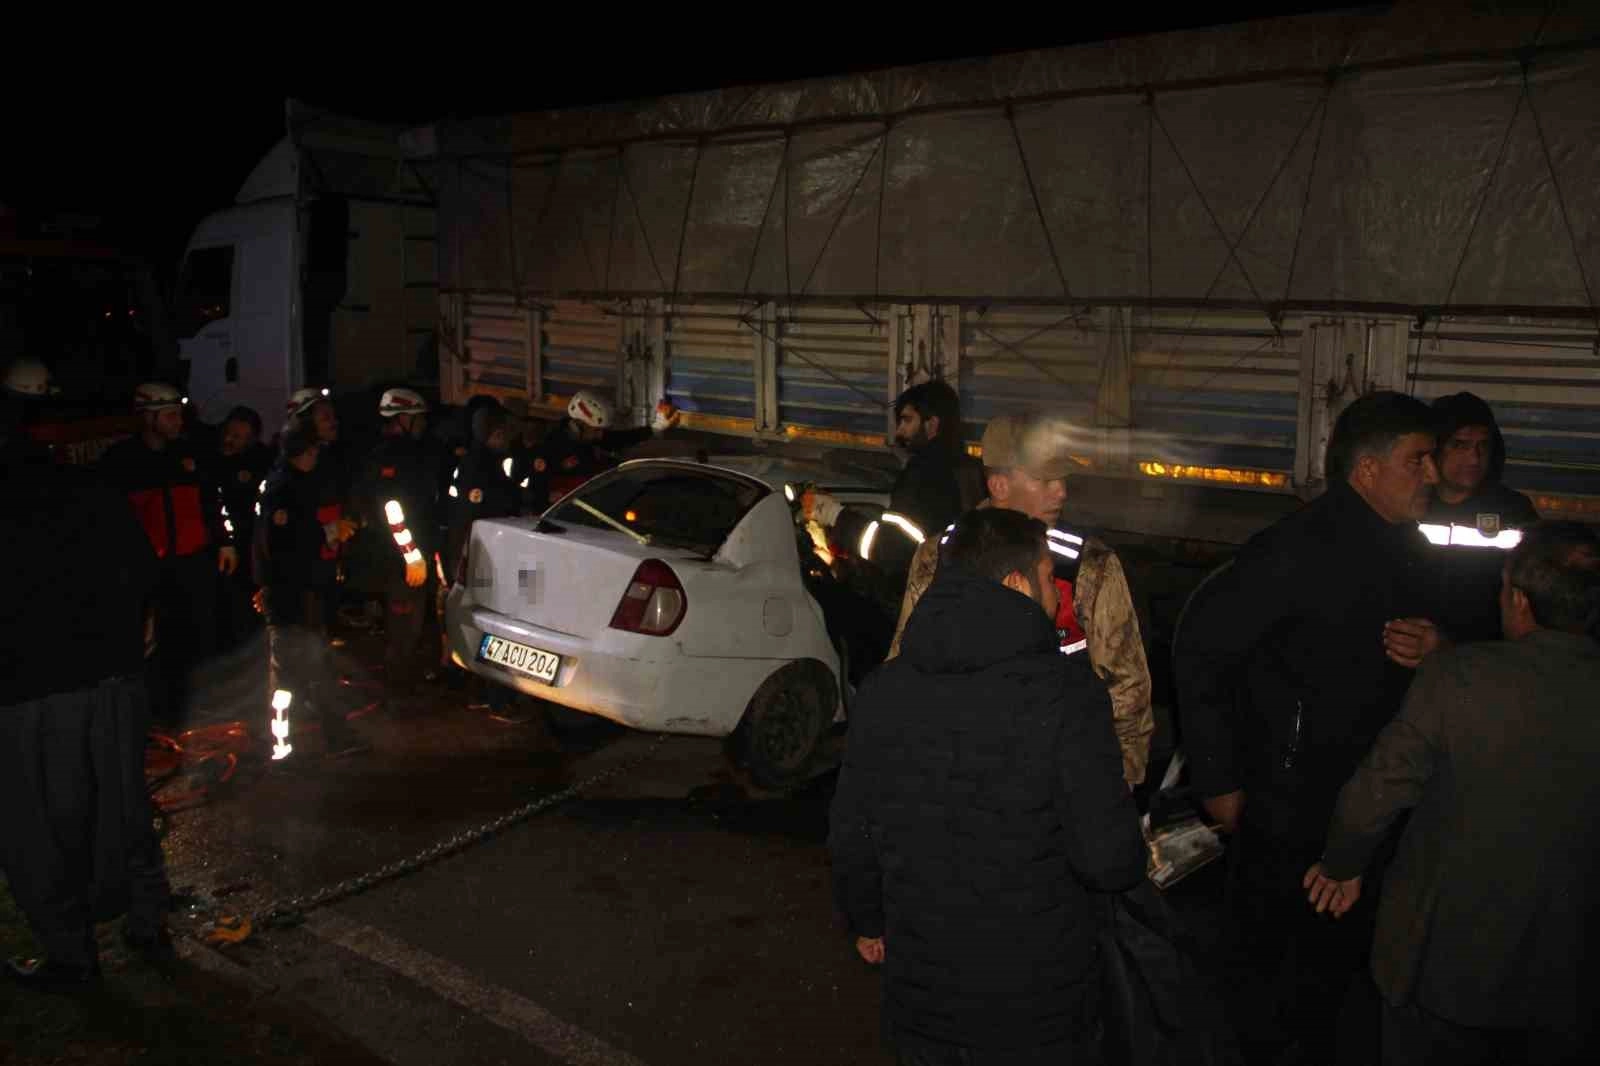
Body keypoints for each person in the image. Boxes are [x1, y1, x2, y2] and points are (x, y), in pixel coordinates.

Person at [1174, 390, 1447, 1065]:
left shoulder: (1410, 552)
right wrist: (1218, 779)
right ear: (1367, 471)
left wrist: (1439, 643)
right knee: (1270, 971)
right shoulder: (1294, 551)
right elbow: (1202, 647)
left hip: (1373, 803)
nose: (1434, 476)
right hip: (1290, 803)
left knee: (1342, 970)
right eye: (1420, 461)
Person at [829, 507, 1147, 1065]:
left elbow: (852, 829)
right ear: (1017, 584)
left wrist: (868, 920)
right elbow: (1109, 860)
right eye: (1050, 579)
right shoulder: (1067, 696)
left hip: (922, 999)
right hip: (1039, 1005)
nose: (1056, 597)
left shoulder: (883, 692)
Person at [1306, 521, 1600, 1064]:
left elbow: (1377, 789)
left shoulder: (1457, 677)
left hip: (1443, 962)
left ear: (1517, 600)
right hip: (1570, 977)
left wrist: (1340, 865)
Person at [1, 391, 173, 986]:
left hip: (33, 691)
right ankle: (148, 919)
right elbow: (144, 572)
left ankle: (71, 951)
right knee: (124, 804)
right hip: (113, 676)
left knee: (37, 824)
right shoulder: (88, 488)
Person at [887, 410, 1155, 787]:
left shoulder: (1088, 566)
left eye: (1063, 478)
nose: (1060, 491)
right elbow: (904, 663)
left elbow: (1127, 692)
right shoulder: (937, 556)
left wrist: (1120, 781)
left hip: (1058, 778)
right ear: (998, 485)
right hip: (957, 777)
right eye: (1045, 479)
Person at [100, 383, 237, 724]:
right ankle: (157, 713)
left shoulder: (191, 456)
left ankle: (196, 708)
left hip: (193, 563)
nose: (179, 421)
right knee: (153, 646)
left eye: (180, 414)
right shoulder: (121, 463)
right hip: (148, 571)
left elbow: (213, 503)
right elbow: (110, 520)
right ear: (148, 417)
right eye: (171, 414)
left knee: (197, 636)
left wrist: (225, 541)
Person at [807, 380, 983, 619]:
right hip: (960, 603)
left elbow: (890, 550)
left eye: (907, 420)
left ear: (932, 425)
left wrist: (834, 515)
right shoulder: (971, 471)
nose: (900, 431)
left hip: (922, 609)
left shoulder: (923, 475)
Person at [256, 424, 367, 758]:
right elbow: (281, 545)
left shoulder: (300, 484)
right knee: (294, 676)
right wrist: (326, 533)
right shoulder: (281, 491)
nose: (316, 457)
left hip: (307, 595)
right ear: (298, 454)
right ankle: (285, 747)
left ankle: (310, 741)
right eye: (312, 452)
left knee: (310, 671)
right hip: (292, 598)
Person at [1419, 391, 1541, 642]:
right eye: (1460, 445)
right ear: (1435, 448)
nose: (1474, 458)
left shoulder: (1513, 510)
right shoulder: (1411, 504)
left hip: (1488, 656)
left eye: (1482, 446)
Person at [354, 388, 441, 685]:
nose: (423, 424)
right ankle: (398, 689)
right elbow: (393, 512)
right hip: (401, 559)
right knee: (404, 625)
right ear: (403, 418)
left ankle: (408, 679)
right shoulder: (392, 458)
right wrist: (412, 555)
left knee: (414, 623)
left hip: (409, 554)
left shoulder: (408, 453)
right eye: (418, 419)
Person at [527, 389, 676, 508]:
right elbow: (536, 493)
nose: (600, 435)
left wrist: (655, 428)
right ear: (580, 426)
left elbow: (620, 439)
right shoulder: (550, 448)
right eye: (596, 430)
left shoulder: (586, 437)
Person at [212, 405, 272, 649]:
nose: (229, 440)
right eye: (228, 432)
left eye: (237, 436)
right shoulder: (212, 459)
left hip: (251, 547)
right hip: (220, 548)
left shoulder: (262, 462)